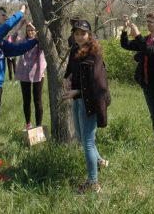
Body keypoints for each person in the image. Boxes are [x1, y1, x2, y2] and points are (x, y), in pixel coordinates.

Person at [0, 5, 38, 182]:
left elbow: (15, 49)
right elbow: (6, 27)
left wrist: (36, 41)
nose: (5, 17)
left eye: (6, 14)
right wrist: (20, 13)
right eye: (2, 14)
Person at [63, 19, 111, 194]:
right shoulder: (76, 49)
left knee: (88, 142)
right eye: (76, 34)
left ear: (89, 34)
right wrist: (67, 79)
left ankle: (93, 183)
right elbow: (71, 69)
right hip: (77, 98)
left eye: (83, 33)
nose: (80, 37)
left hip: (88, 100)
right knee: (82, 138)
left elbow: (97, 84)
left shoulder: (94, 53)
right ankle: (99, 162)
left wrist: (76, 92)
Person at [120, 12, 154, 146]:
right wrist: (125, 29)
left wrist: (137, 35)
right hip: (147, 85)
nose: (148, 24)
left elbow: (151, 51)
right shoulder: (146, 39)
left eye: (151, 22)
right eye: (147, 21)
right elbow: (125, 45)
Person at [15, 22, 47, 130]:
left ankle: (38, 126)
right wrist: (20, 26)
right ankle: (28, 124)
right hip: (24, 74)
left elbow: (44, 45)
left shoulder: (39, 42)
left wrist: (39, 34)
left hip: (38, 74)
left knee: (37, 100)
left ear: (36, 31)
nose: (30, 32)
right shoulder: (23, 41)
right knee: (26, 100)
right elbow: (13, 39)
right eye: (28, 30)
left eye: (32, 30)